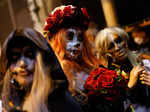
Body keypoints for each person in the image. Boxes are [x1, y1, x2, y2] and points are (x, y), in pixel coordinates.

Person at [0, 28, 79, 112]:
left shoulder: (61, 101)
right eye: (15, 58)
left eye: (29, 54)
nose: (22, 63)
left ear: (44, 60)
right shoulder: (11, 102)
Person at [43, 5, 99, 110]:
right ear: (56, 40)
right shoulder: (52, 75)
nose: (77, 43)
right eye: (70, 36)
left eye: (80, 38)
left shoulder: (88, 68)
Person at [94, 26, 150, 112]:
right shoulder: (108, 77)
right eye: (111, 46)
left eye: (118, 41)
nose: (117, 47)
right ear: (105, 52)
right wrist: (129, 86)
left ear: (125, 40)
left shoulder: (143, 63)